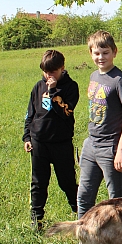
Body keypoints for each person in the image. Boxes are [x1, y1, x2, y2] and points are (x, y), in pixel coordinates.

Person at [67, 30, 122, 244]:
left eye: (105, 52)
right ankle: (84, 242)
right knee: (84, 197)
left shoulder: (120, 80)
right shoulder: (93, 77)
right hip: (91, 145)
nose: (101, 57)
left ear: (114, 52)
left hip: (111, 147)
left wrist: (120, 149)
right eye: (96, 53)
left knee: (117, 201)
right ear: (90, 53)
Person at [23, 50, 80, 231]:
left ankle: (80, 214)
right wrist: (27, 136)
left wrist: (54, 91)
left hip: (61, 143)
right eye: (45, 72)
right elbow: (30, 113)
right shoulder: (37, 87)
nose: (48, 76)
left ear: (62, 68)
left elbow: (65, 113)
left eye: (52, 72)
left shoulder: (71, 87)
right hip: (39, 142)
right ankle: (37, 220)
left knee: (67, 182)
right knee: (39, 182)